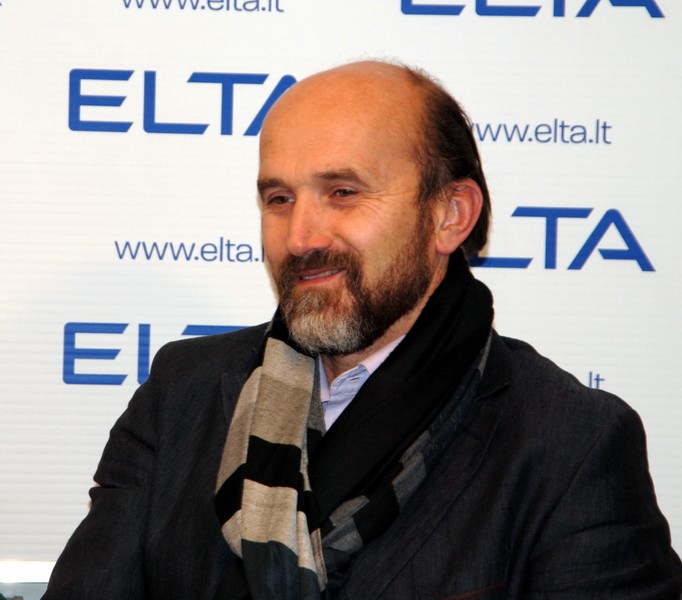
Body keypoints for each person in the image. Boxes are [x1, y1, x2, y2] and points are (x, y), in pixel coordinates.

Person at [43, 60, 682, 599]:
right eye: (279, 199)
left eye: (343, 192)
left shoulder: (570, 444)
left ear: (450, 214)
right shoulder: (181, 394)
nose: (301, 237)